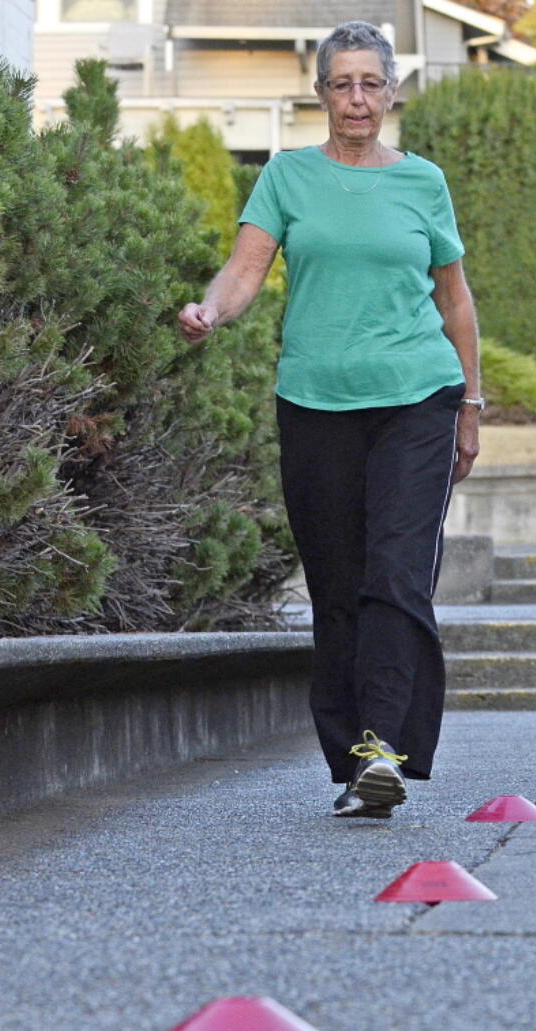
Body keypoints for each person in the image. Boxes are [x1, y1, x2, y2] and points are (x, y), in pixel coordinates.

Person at [177, 20, 482, 819]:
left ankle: (385, 743)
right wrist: (210, 310)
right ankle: (354, 762)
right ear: (320, 95)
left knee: (396, 571)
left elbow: (454, 298)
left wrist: (472, 403)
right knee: (337, 584)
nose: (357, 98)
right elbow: (245, 270)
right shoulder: (285, 177)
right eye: (342, 84)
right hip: (315, 403)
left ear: (390, 92)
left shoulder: (424, 183)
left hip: (418, 396)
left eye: (371, 83)